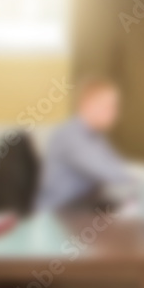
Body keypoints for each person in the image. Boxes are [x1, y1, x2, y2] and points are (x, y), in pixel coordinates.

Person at [35, 77, 135, 212]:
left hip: (78, 210)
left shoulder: (95, 136)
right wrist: (140, 181)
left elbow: (116, 167)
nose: (115, 113)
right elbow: (107, 172)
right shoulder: (70, 135)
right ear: (87, 104)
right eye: (109, 106)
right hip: (56, 214)